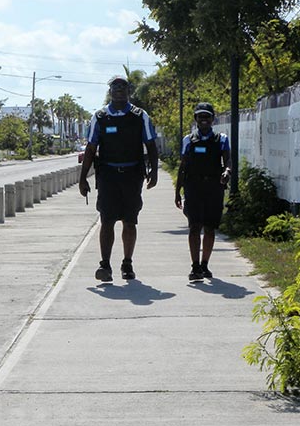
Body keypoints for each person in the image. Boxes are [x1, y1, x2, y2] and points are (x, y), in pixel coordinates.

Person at [78, 75, 159, 281]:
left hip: (132, 175)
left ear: (128, 91)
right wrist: (83, 177)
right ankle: (105, 265)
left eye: (123, 87)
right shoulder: (100, 116)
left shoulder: (140, 116)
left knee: (130, 221)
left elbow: (150, 145)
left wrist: (154, 172)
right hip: (108, 176)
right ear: (110, 91)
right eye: (115, 87)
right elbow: (91, 147)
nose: (119, 90)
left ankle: (127, 263)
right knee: (107, 220)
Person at [175, 102, 231, 281]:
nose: (204, 120)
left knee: (209, 228)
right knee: (194, 227)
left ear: (213, 119)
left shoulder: (221, 139)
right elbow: (182, 167)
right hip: (193, 188)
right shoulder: (188, 140)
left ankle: (205, 264)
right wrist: (178, 191)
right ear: (196, 119)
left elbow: (228, 160)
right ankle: (195, 266)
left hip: (214, 188)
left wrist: (227, 172)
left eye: (207, 116)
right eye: (201, 116)